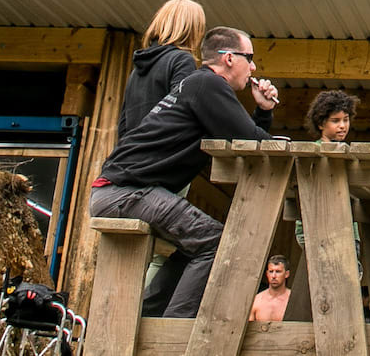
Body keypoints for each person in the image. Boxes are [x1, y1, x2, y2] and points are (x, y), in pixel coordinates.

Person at [88, 26, 280, 318]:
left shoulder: (200, 85)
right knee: (216, 241)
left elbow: (245, 143)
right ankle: (174, 329)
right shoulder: (208, 84)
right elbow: (252, 140)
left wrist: (263, 111)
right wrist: (267, 126)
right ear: (229, 58)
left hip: (121, 190)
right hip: (125, 192)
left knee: (200, 244)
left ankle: (150, 318)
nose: (253, 67)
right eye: (249, 57)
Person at [120, 0, 210, 140]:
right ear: (192, 29)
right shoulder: (181, 60)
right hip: (161, 154)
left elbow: (123, 125)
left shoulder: (137, 70)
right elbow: (182, 113)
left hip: (134, 153)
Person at [249, 257, 292, 324]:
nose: (274, 276)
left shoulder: (293, 300)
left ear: (287, 274)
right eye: (271, 271)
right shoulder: (256, 300)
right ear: (267, 274)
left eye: (278, 271)